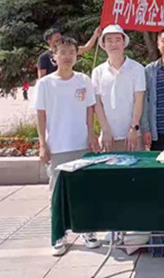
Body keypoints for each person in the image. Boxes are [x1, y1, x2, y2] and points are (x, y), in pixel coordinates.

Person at [33, 36, 102, 256]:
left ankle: (87, 231)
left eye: (72, 52)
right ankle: (59, 235)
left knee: (84, 190)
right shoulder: (45, 84)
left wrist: (92, 135)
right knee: (57, 194)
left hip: (81, 145)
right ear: (54, 56)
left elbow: (90, 110)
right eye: (62, 52)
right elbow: (40, 115)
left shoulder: (83, 80)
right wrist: (43, 144)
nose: (67, 56)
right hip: (58, 147)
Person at [92, 25, 146, 152]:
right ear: (103, 44)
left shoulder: (137, 68)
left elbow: (139, 100)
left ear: (124, 43)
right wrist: (105, 129)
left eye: (117, 40)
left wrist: (134, 128)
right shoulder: (98, 71)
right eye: (109, 40)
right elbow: (97, 103)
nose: (114, 44)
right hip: (108, 137)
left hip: (132, 136)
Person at [37, 26, 101, 78]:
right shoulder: (43, 57)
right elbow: (42, 77)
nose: (67, 56)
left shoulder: (69, 50)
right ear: (49, 41)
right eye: (56, 38)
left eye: (60, 38)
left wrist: (95, 34)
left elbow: (87, 47)